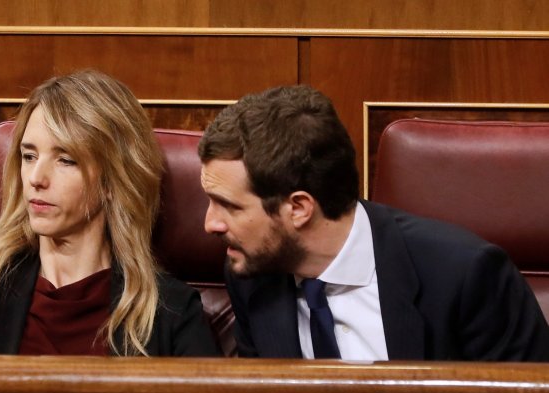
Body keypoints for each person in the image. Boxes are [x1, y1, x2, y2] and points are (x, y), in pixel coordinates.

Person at [199, 84, 549, 361]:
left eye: (228, 206)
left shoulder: (466, 276)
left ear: (299, 208)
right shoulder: (251, 274)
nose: (210, 223)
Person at [0, 70, 216, 356]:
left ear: (112, 181)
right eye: (29, 156)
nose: (36, 178)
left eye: (65, 160)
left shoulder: (171, 312)